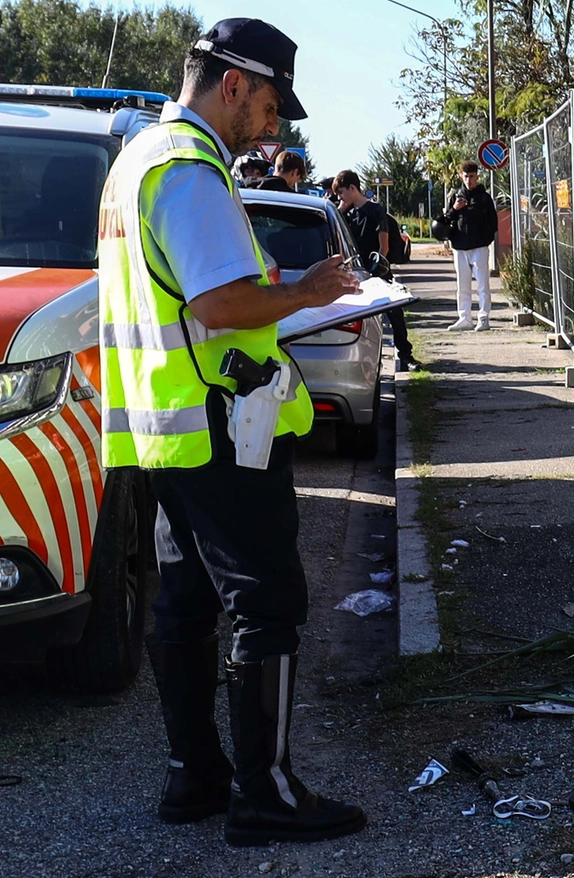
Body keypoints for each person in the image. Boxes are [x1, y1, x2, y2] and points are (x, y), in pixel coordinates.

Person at [96, 18, 367, 847]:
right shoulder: (188, 168)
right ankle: (266, 794)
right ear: (236, 83)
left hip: (164, 429)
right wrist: (310, 293)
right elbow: (219, 306)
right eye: (275, 101)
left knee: (184, 602)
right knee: (267, 599)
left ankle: (195, 776)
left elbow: (189, 293)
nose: (278, 123)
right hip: (221, 423)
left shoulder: (137, 160)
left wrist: (276, 288)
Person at [335, 170, 419, 370]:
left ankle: (405, 355)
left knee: (394, 312)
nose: (340, 198)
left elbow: (384, 244)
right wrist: (339, 209)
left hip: (376, 269)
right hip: (354, 271)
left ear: (352, 188)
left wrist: (377, 267)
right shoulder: (346, 213)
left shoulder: (375, 210)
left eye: (341, 193)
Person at [436, 160, 497, 331]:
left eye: (472, 176)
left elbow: (493, 223)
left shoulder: (484, 198)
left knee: (482, 284)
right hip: (460, 247)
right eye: (466, 176)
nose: (469, 180)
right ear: (460, 176)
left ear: (477, 176)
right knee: (462, 286)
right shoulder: (455, 197)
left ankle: (483, 317)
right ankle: (464, 318)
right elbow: (444, 220)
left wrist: (486, 239)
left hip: (479, 247)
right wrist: (454, 209)